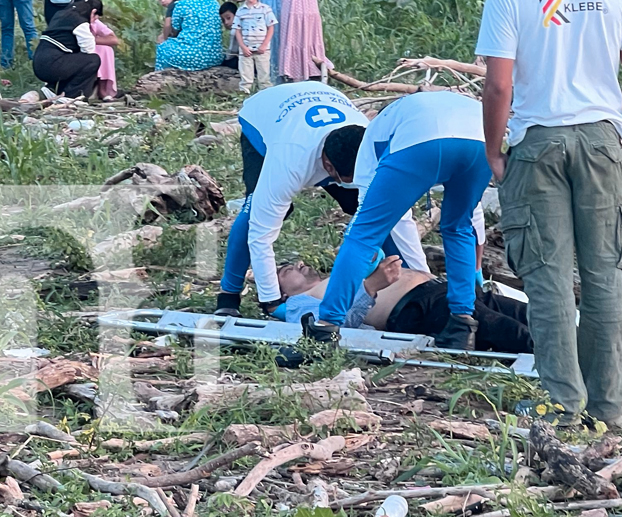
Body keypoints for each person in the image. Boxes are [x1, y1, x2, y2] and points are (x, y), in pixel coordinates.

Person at [475, 0, 622, 426]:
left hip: (537, 141)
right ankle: (609, 405)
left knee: (548, 276)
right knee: (607, 274)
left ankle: (561, 403)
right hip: (602, 139)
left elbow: (498, 85)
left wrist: (494, 149)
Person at [215, 80, 428, 318]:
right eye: (348, 179)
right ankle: (228, 295)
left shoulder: (372, 144)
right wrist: (272, 301)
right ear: (328, 167)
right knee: (255, 211)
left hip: (325, 104)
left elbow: (399, 216)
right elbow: (260, 233)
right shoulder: (289, 162)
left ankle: (403, 276)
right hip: (266, 117)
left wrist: (422, 277)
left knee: (375, 208)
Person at [310, 92, 491, 349]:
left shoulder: (370, 143)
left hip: (423, 143)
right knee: (458, 228)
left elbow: (369, 229)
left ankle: (325, 328)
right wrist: (475, 272)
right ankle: (462, 324)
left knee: (362, 235)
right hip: (481, 138)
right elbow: (472, 217)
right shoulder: (405, 113)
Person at [274, 258, 531, 353]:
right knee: (510, 331)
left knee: (530, 314)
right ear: (282, 293)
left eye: (295, 263)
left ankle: (568, 345)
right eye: (286, 270)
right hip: (417, 307)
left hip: (449, 291)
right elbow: (326, 329)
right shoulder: (299, 304)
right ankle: (564, 360)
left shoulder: (335, 275)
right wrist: (370, 287)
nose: (298, 265)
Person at [33, 0, 102, 99]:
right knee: (92, 60)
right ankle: (72, 96)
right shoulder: (80, 21)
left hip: (39, 62)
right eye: (95, 18)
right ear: (93, 12)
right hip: (53, 63)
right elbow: (88, 49)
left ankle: (54, 90)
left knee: (70, 59)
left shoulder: (60, 14)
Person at [154, 0, 224, 71]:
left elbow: (175, 30)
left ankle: (162, 76)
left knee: (163, 48)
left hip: (192, 56)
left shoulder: (181, 5)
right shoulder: (214, 2)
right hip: (215, 56)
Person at [233, 0, 277, 93]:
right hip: (246, 49)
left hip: (262, 49)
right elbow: (237, 29)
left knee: (264, 75)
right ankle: (244, 95)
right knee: (246, 75)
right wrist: (242, 47)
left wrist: (264, 45)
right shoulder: (241, 11)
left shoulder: (265, 9)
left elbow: (271, 27)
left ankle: (266, 95)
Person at [91, 3, 121, 101]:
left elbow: (114, 39)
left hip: (91, 45)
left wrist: (92, 40)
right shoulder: (76, 20)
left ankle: (102, 89)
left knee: (106, 50)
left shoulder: (95, 22)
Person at [218, 1, 239, 69]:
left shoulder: (234, 31)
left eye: (228, 18)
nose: (226, 22)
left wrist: (225, 59)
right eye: (223, 20)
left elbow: (232, 52)